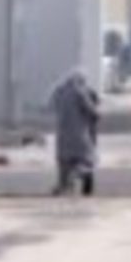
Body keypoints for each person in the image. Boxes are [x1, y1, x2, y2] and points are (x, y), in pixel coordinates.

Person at [48, 67, 100, 197]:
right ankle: (76, 174)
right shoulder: (79, 92)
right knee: (87, 161)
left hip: (62, 134)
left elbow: (50, 105)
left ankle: (62, 186)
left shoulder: (58, 91)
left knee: (64, 164)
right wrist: (96, 114)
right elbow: (91, 110)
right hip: (78, 133)